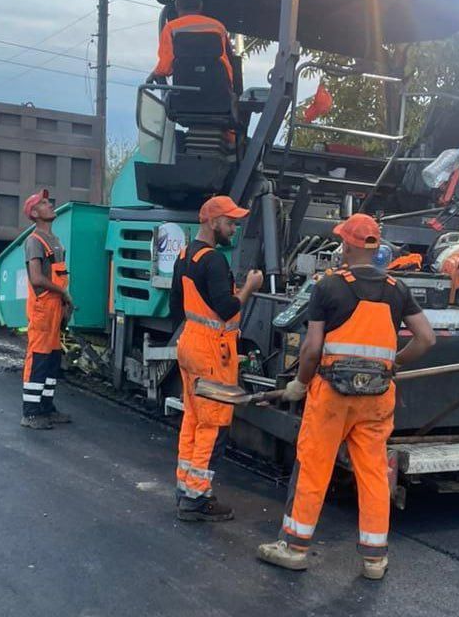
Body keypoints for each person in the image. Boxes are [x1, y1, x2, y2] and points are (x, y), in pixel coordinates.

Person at [257, 214, 436, 580]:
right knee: (372, 472)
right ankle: (374, 560)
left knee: (313, 466)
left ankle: (293, 547)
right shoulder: (397, 289)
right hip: (377, 397)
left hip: (332, 396)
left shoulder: (329, 286)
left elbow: (311, 349)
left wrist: (299, 385)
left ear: (349, 245)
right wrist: (393, 364)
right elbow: (427, 339)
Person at [170, 195, 263, 521]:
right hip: (213, 352)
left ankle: (185, 488)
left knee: (193, 421)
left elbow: (174, 308)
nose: (234, 229)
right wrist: (249, 286)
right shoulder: (214, 261)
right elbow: (227, 308)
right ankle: (196, 501)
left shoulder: (184, 256)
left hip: (190, 344)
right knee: (214, 426)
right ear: (212, 222)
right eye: (230, 222)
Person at [20, 189, 74, 430]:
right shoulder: (34, 241)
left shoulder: (54, 240)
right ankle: (31, 413)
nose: (50, 204)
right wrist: (63, 293)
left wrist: (64, 303)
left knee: (52, 359)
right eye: (43, 203)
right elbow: (36, 278)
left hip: (55, 308)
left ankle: (46, 407)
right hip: (43, 309)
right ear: (34, 213)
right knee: (39, 359)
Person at [147, 0, 234, 87]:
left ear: (177, 5)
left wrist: (155, 74)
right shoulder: (218, 27)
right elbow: (228, 61)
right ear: (200, 5)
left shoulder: (171, 28)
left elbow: (166, 65)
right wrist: (230, 90)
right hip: (218, 92)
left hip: (184, 94)